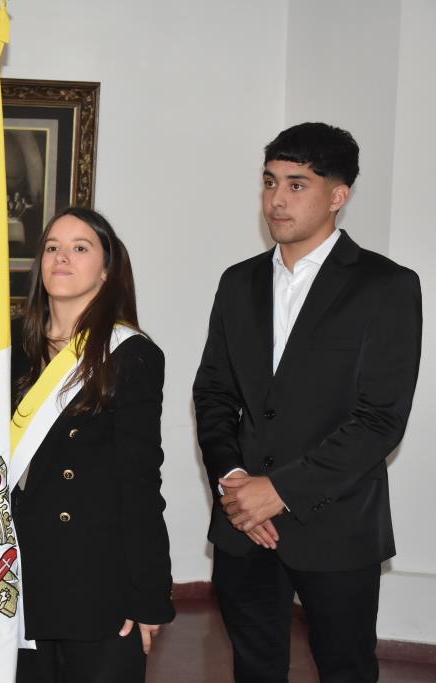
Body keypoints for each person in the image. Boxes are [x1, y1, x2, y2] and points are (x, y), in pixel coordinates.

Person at [193, 122, 422, 682]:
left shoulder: (387, 286)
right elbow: (213, 393)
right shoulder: (237, 283)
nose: (276, 199)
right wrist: (235, 480)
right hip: (242, 522)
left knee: (345, 668)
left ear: (338, 196)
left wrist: (281, 491)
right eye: (270, 182)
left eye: (297, 185)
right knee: (253, 668)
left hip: (337, 524)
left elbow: (380, 420)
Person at [11, 207, 175, 682]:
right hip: (17, 572)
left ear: (106, 269)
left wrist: (148, 596)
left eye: (80, 247)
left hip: (95, 580)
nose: (62, 257)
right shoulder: (12, 349)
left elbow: (140, 482)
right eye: (52, 247)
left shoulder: (130, 354)